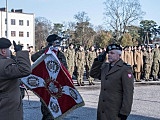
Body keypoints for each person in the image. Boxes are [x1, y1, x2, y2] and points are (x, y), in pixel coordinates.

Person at [90, 43, 134, 120]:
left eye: (112, 53)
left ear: (119, 55)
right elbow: (93, 74)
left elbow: (128, 93)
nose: (109, 55)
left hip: (115, 111)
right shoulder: (105, 67)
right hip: (103, 109)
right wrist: (99, 60)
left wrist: (125, 112)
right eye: (108, 53)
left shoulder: (125, 69)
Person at [31, 34, 68, 120]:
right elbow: (33, 57)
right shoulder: (46, 52)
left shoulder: (60, 54)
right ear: (52, 42)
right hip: (46, 88)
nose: (59, 44)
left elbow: (65, 69)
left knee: (57, 113)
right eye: (57, 41)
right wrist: (47, 49)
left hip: (58, 87)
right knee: (47, 113)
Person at [0, 38, 31, 120]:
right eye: (8, 49)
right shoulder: (4, 65)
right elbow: (25, 69)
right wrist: (19, 52)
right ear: (3, 51)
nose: (10, 52)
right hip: (7, 110)